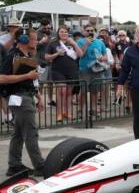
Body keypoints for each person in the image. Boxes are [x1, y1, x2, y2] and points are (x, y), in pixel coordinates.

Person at [0, 28, 45, 176]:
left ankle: (14, 165)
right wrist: (26, 76)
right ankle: (40, 166)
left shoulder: (28, 56)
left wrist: (39, 96)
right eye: (33, 39)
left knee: (18, 133)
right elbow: (2, 78)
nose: (36, 41)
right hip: (19, 98)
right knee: (30, 133)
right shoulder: (13, 56)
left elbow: (32, 80)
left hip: (26, 96)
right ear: (24, 40)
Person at [44, 26, 83, 122]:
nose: (64, 33)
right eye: (61, 32)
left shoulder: (72, 43)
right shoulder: (53, 43)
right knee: (62, 91)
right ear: (58, 33)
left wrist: (74, 44)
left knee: (69, 92)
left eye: (65, 32)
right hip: (58, 70)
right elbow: (46, 57)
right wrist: (56, 54)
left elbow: (80, 54)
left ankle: (68, 112)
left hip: (71, 70)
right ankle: (59, 113)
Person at [78, 25, 108, 116]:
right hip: (84, 70)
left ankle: (93, 110)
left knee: (94, 91)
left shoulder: (100, 42)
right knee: (83, 91)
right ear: (84, 32)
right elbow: (80, 55)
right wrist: (86, 44)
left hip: (97, 69)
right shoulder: (80, 41)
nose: (90, 32)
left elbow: (106, 55)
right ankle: (80, 110)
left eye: (92, 30)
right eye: (88, 30)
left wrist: (103, 58)